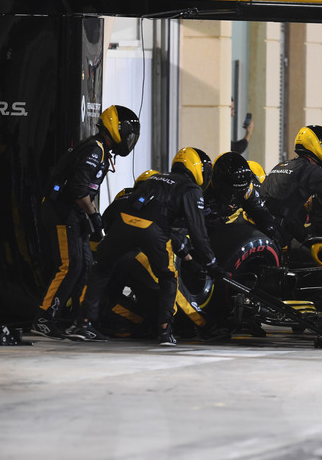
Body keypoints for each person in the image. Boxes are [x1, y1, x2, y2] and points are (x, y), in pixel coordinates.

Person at [74, 147, 221, 346]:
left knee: (101, 269)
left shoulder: (155, 179)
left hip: (123, 224)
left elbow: (133, 206)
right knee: (168, 277)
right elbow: (198, 232)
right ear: (196, 168)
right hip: (153, 229)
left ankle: (84, 323)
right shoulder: (190, 189)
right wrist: (211, 263)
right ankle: (165, 331)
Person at [31, 104, 140, 340]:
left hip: (73, 213)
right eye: (128, 134)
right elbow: (79, 190)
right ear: (116, 128)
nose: (129, 141)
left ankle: (81, 322)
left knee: (86, 267)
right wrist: (94, 216)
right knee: (70, 265)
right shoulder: (94, 149)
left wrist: (89, 216)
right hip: (61, 212)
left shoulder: (99, 150)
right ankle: (43, 318)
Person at [204, 152, 280, 245]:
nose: (234, 195)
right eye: (231, 191)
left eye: (239, 190)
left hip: (230, 227)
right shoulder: (202, 189)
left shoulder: (247, 189)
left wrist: (274, 239)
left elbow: (262, 214)